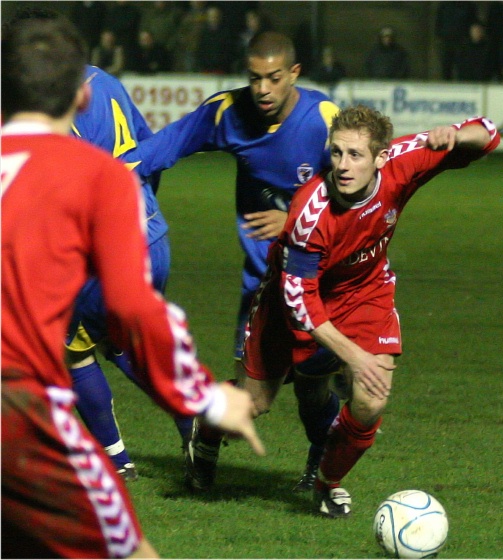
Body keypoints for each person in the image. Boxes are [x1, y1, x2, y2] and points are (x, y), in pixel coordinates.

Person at [1, 15, 264, 559]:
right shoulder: (97, 177)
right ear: (80, 95)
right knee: (131, 550)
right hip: (21, 413)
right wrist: (208, 398)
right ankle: (170, 435)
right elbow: (135, 307)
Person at [239, 105, 500, 517]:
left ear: (381, 158)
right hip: (292, 305)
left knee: (371, 401)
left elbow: (486, 132)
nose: (343, 166)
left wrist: (455, 134)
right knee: (253, 405)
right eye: (337, 153)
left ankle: (327, 481)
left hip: (365, 292)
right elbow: (298, 302)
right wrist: (354, 356)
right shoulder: (311, 213)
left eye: (356, 155)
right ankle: (204, 432)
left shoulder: (403, 160)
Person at [119, 31, 340, 493]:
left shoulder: (323, 120)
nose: (262, 89)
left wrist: (295, 219)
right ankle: (205, 439)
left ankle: (322, 472)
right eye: (255, 78)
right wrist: (95, 177)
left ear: (294, 74)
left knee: (314, 383)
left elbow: (358, 192)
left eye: (273, 78)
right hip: (265, 286)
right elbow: (159, 150)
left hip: (321, 282)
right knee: (254, 399)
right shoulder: (228, 112)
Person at [67, 62, 179, 481]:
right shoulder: (106, 80)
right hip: (154, 237)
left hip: (108, 252)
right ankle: (192, 425)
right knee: (121, 343)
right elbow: (150, 153)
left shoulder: (44, 103)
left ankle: (117, 462)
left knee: (73, 351)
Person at [195, 5, 234, 74]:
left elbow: (229, 51)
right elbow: (200, 51)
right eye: (211, 16)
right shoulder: (203, 34)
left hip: (221, 70)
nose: (213, 18)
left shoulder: (226, 33)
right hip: (206, 69)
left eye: (216, 16)